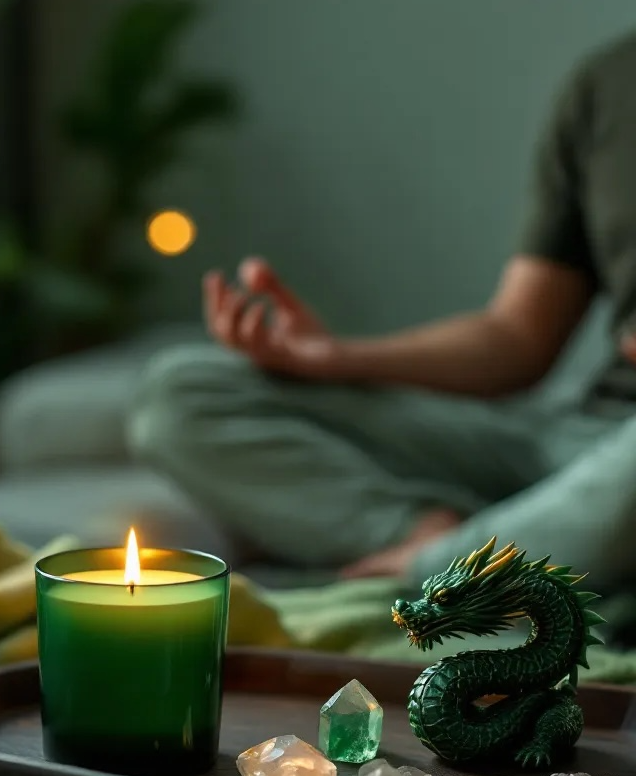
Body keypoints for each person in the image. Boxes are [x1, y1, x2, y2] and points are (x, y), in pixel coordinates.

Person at [128, 31, 636, 590]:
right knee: (180, 393)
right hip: (577, 440)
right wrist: (337, 358)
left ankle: (464, 571)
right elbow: (516, 337)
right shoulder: (605, 82)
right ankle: (436, 537)